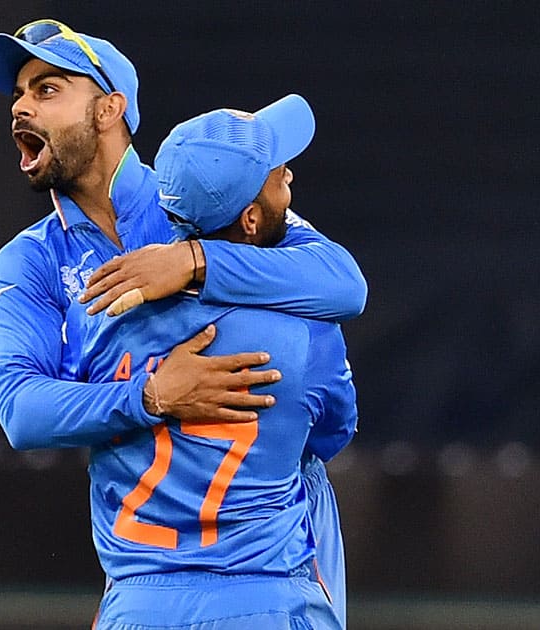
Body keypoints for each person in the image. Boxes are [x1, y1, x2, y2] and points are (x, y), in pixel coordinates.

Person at [0, 19, 365, 626]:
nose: (21, 107)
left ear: (111, 108)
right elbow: (22, 413)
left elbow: (345, 283)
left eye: (47, 88)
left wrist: (193, 259)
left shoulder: (200, 197)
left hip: (183, 582)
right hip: (179, 583)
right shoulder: (30, 260)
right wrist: (152, 395)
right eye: (18, 95)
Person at [77, 94, 358, 629]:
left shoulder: (102, 319)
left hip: (137, 607)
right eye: (278, 176)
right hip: (263, 601)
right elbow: (331, 434)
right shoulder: (307, 329)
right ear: (251, 218)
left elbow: (84, 420)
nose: (290, 176)